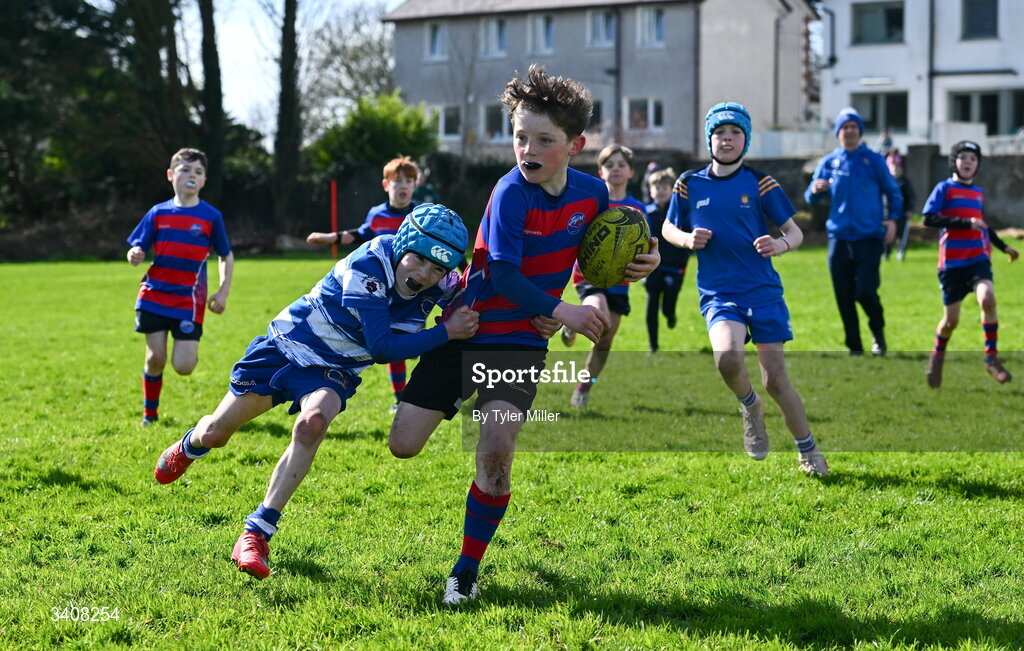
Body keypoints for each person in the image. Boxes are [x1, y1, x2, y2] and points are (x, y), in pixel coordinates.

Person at [387, 65, 660, 606]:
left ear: (576, 145)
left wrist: (645, 258)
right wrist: (564, 310)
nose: (526, 149)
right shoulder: (511, 193)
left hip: (518, 346)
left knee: (495, 457)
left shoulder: (591, 195)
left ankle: (465, 570)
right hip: (466, 328)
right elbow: (506, 275)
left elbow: (616, 237)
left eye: (543, 140)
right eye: (519, 136)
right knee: (403, 446)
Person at [153, 204, 480, 580]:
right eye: (418, 259)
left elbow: (475, 292)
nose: (424, 275)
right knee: (217, 433)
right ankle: (191, 444)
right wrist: (446, 332)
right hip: (284, 347)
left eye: (437, 268)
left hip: (334, 370)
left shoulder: (442, 281)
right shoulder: (370, 264)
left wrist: (542, 313)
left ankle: (256, 532)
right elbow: (383, 349)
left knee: (314, 422)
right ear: (404, 243)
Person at [662, 102, 829, 478]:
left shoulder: (760, 182)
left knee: (776, 379)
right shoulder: (689, 183)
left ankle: (808, 450)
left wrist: (779, 244)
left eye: (735, 132)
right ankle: (750, 407)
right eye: (719, 132)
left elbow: (795, 231)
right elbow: (668, 228)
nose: (727, 138)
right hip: (719, 293)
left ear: (745, 140)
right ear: (709, 139)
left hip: (762, 291)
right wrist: (687, 239)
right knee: (727, 359)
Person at [126, 148, 234, 427]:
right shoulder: (158, 212)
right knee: (156, 358)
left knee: (184, 367)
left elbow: (225, 255)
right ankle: (150, 414)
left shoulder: (211, 217)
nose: (191, 176)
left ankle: (155, 405)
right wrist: (135, 254)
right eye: (185, 170)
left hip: (190, 300)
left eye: (198, 172)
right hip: (154, 294)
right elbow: (138, 246)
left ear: (204, 180)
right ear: (171, 175)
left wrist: (223, 291)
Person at [307, 156, 420, 411]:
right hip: (382, 292)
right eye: (397, 180)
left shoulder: (419, 215)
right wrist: (329, 238)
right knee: (394, 344)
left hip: (415, 293)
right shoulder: (376, 215)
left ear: (415, 185)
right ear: (385, 185)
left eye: (408, 181)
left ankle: (423, 392)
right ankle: (401, 400)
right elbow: (359, 235)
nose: (403, 186)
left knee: (416, 344)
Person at [805, 107, 902, 356]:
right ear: (838, 132)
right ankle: (855, 348)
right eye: (844, 127)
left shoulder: (874, 160)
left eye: (853, 127)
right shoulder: (829, 162)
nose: (849, 131)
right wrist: (815, 190)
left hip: (869, 236)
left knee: (866, 292)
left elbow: (893, 192)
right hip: (838, 237)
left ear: (859, 131)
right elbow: (810, 198)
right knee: (844, 296)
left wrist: (892, 221)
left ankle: (877, 333)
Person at [922, 140, 1019, 388]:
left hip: (978, 259)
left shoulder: (978, 193)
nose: (968, 162)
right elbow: (929, 218)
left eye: (973, 159)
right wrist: (965, 224)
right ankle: (937, 356)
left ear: (977, 165)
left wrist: (1003, 246)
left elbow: (982, 225)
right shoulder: (944, 188)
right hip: (951, 265)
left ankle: (991, 358)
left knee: (987, 299)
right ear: (954, 161)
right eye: (963, 157)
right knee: (951, 322)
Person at [562, 144, 648, 408]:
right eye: (610, 165)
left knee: (604, 341)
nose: (616, 169)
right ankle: (572, 321)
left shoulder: (637, 209)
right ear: (601, 171)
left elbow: (646, 245)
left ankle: (584, 388)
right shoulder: (594, 202)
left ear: (631, 171)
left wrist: (644, 266)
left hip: (620, 281)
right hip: (589, 275)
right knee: (599, 318)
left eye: (621, 164)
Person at [643, 167, 690, 354]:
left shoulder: (679, 213)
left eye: (665, 187)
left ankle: (670, 315)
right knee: (651, 304)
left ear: (672, 189)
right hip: (652, 268)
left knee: (667, 305)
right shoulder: (645, 213)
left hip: (675, 267)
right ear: (650, 190)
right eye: (656, 187)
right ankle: (653, 345)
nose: (660, 190)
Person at [884, 151, 916, 261]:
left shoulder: (905, 182)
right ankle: (886, 252)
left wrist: (910, 209)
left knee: (902, 234)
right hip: (888, 213)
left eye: (897, 167)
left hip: (901, 213)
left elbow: (911, 196)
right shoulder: (886, 181)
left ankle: (901, 251)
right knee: (887, 233)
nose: (895, 169)